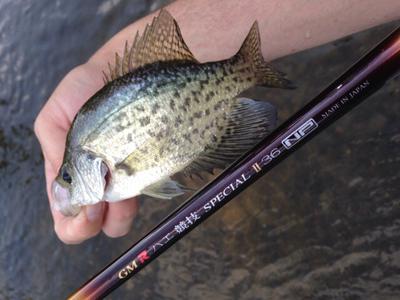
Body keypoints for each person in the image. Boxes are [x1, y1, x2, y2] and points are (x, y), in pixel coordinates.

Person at [34, 0, 400, 244]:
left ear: (87, 163)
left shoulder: (96, 145)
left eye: (67, 175)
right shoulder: (90, 135)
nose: (65, 182)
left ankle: (245, 72)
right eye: (67, 176)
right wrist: (98, 72)